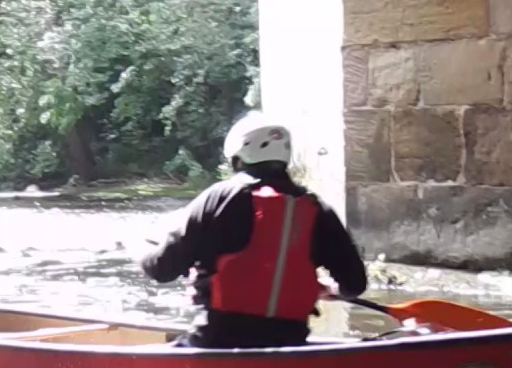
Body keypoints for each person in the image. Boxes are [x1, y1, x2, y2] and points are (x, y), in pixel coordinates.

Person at [141, 111, 368, 349]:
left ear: (238, 159)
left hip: (217, 340)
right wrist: (327, 289)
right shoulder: (318, 208)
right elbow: (354, 285)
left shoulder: (218, 197)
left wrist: (141, 251)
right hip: (290, 341)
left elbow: (162, 269)